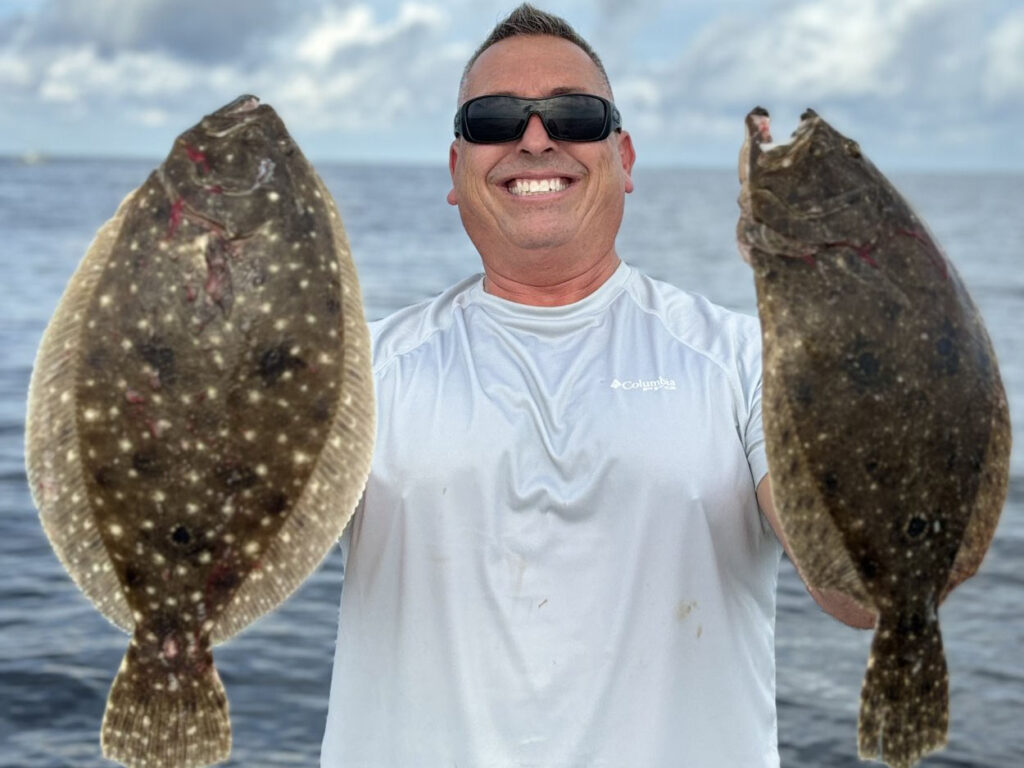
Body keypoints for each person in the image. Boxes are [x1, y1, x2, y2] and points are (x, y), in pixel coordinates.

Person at [321, 5, 875, 767]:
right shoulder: (357, 374)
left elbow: (859, 591)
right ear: (456, 171)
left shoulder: (749, 360)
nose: (536, 138)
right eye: (493, 120)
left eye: (574, 115)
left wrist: (834, 300)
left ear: (626, 156)